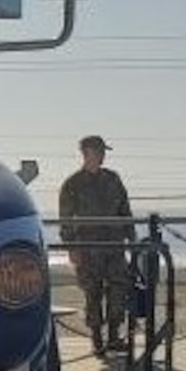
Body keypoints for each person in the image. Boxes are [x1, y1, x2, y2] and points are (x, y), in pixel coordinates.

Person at [58, 135, 135, 357]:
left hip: (114, 246)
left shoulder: (113, 179)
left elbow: (124, 211)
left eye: (103, 152)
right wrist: (71, 248)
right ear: (87, 153)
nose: (102, 156)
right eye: (99, 151)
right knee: (93, 293)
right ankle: (97, 340)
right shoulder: (72, 184)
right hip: (88, 248)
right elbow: (66, 219)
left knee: (118, 290)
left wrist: (132, 238)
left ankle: (113, 337)